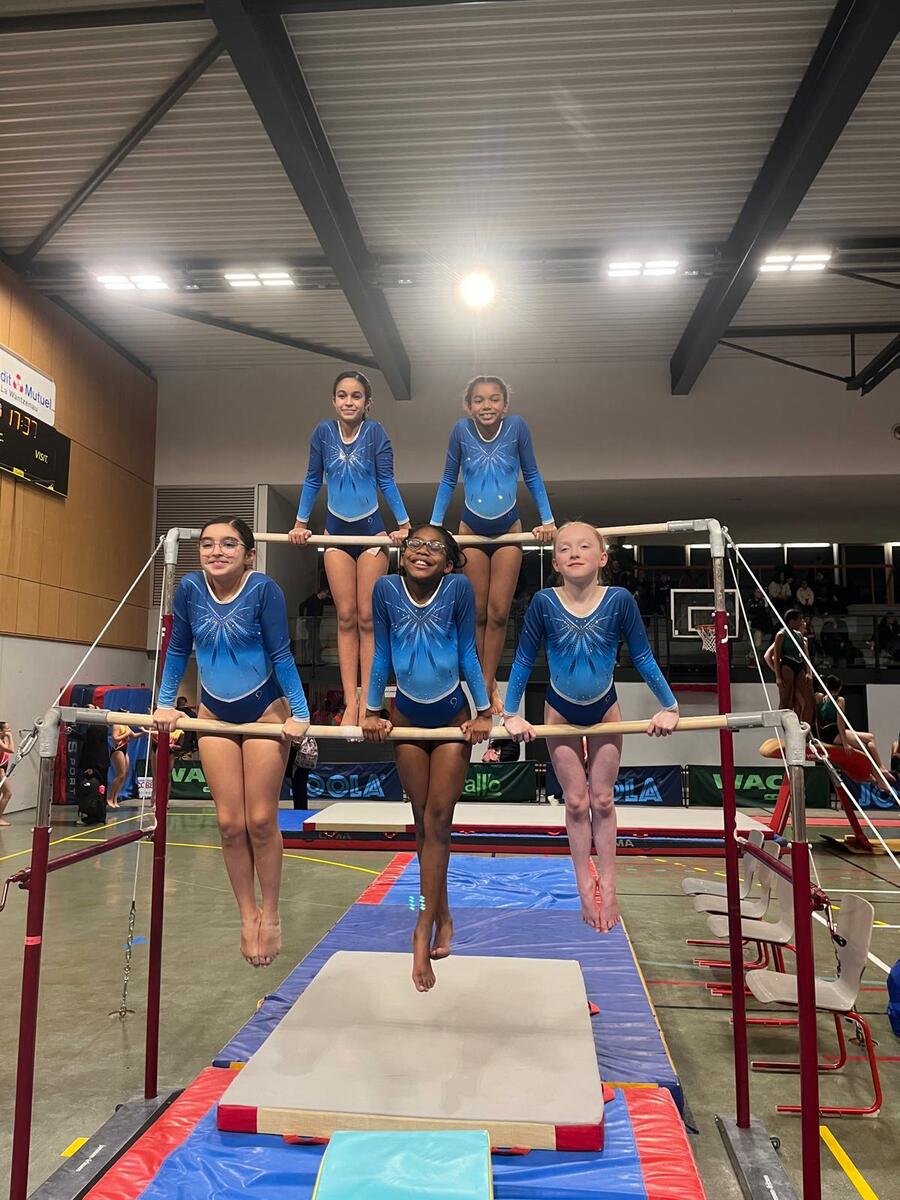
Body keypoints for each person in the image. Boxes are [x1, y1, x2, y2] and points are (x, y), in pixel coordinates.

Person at [501, 522, 678, 934]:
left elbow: (643, 656)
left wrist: (669, 706)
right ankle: (584, 882)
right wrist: (510, 714)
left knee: (603, 799)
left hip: (605, 709)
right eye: (564, 548)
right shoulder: (544, 603)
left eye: (584, 546)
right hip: (560, 711)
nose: (574, 552)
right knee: (576, 803)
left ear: (602, 558)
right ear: (555, 562)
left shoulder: (619, 601)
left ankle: (609, 885)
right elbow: (523, 659)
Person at [153, 517, 310, 968]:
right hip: (214, 712)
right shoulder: (189, 589)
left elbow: (281, 653)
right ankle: (247, 915)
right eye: (207, 544)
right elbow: (178, 648)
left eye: (228, 544)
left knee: (260, 819)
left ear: (249, 554)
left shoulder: (264, 590)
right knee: (228, 823)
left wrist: (301, 714)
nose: (216, 551)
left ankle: (272, 913)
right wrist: (165, 703)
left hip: (265, 710)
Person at [361, 524, 492, 992]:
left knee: (437, 820)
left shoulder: (457, 589)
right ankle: (441, 914)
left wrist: (484, 712)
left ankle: (421, 930)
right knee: (422, 825)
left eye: (435, 547)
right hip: (407, 716)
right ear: (402, 553)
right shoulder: (385, 590)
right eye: (415, 543)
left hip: (452, 715)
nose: (423, 550)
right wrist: (371, 709)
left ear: (449, 562)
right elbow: (381, 653)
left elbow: (467, 652)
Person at [289, 371, 410, 728]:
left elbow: (386, 480)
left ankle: (370, 701)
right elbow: (313, 479)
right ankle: (350, 702)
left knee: (367, 618)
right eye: (342, 395)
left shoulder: (376, 433)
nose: (348, 401)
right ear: (333, 400)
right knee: (345, 617)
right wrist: (300, 523)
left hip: (372, 533)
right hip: (336, 533)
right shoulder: (322, 433)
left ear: (367, 402)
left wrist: (404, 524)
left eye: (356, 396)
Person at [430, 376, 556, 714]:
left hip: (508, 529)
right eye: (479, 400)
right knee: (477, 611)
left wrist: (547, 520)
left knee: (499, 612)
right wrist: (435, 525)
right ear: (468, 406)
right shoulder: (460, 431)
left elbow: (532, 474)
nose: (487, 406)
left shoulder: (517, 427)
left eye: (494, 399)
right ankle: (478, 680)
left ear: (505, 404)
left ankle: (487, 682)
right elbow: (448, 478)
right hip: (471, 528)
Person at [815, 675, 895, 781]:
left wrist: (819, 737)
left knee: (870, 738)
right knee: (865, 747)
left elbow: (817, 720)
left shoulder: (819, 698)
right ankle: (877, 772)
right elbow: (840, 723)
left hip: (827, 733)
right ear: (840, 687)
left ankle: (879, 769)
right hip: (834, 734)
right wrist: (845, 744)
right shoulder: (839, 700)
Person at [764, 610, 815, 724]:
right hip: (787, 665)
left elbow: (805, 656)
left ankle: (804, 727)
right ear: (792, 621)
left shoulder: (799, 635)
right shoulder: (781, 635)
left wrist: (808, 672)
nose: (801, 622)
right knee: (786, 699)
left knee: (808, 700)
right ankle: (780, 725)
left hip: (798, 665)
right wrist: (778, 676)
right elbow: (776, 656)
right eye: (799, 620)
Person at [108, 711, 140, 809]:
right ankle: (110, 798)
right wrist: (127, 734)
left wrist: (144, 733)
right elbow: (115, 738)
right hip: (117, 749)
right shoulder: (117, 724)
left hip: (124, 750)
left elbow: (133, 735)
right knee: (120, 775)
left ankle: (115, 798)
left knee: (125, 775)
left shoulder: (126, 725)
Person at [0, 721, 15, 827]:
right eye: (7, 729)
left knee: (5, 793)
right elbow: (11, 750)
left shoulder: (2, 740)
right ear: (1, 731)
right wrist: (10, 736)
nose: (10, 730)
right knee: (8, 792)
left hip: (2, 770)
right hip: (0, 770)